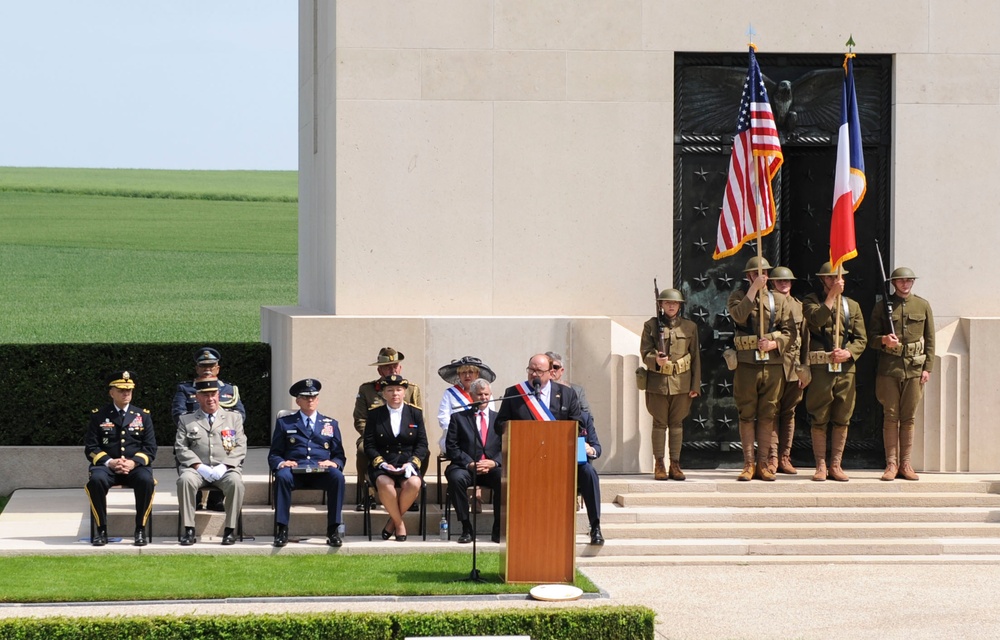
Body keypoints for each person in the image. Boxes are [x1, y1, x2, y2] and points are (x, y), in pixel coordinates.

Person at [496, 353, 605, 545]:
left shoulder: (566, 394)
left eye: (539, 370)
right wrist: (522, 432)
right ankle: (515, 530)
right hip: (527, 459)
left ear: (550, 373)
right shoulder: (514, 393)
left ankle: (595, 527)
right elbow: (500, 425)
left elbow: (577, 423)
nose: (534, 374)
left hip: (560, 458)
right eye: (531, 369)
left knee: (588, 472)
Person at [727, 257, 793, 481]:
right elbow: (738, 316)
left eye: (764, 273)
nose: (761, 276)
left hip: (772, 365)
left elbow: (789, 331)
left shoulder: (779, 300)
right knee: (747, 414)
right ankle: (748, 464)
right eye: (756, 274)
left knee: (768, 414)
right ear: (749, 276)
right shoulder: (738, 297)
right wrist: (753, 291)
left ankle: (763, 463)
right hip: (747, 364)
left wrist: (775, 343)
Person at [803, 261, 868, 482]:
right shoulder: (812, 301)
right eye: (829, 278)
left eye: (836, 277)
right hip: (821, 367)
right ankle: (820, 465)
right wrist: (831, 296)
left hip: (845, 369)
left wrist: (848, 353)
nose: (834, 281)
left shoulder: (853, 306)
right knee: (819, 416)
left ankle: (836, 465)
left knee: (842, 416)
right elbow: (816, 319)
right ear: (823, 280)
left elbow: (861, 339)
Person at [869, 267, 934, 481]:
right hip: (889, 368)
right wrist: (884, 341)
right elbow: (871, 338)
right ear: (894, 283)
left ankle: (906, 464)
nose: (905, 284)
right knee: (891, 416)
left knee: (908, 417)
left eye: (909, 280)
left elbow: (930, 339)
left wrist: (928, 368)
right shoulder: (882, 306)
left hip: (914, 368)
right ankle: (891, 464)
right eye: (901, 281)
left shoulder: (922, 305)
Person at [268, 378, 347, 547]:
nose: (310, 400)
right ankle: (282, 530)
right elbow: (274, 454)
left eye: (313, 397)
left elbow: (339, 454)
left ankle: (333, 530)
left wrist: (335, 463)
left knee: (337, 477)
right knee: (282, 477)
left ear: (317, 399)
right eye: (305, 397)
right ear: (298, 401)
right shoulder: (285, 423)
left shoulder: (330, 424)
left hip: (321, 471)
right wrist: (282, 463)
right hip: (295, 470)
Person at [84, 370, 156, 547]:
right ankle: (101, 530)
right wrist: (110, 462)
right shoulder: (99, 416)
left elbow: (150, 448)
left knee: (146, 480)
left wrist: (133, 462)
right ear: (111, 392)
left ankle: (140, 529)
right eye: (121, 390)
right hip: (107, 466)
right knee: (96, 480)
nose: (126, 393)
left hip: (135, 466)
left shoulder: (143, 416)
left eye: (129, 390)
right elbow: (91, 448)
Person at [174, 376, 247, 546]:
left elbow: (241, 445)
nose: (210, 399)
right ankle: (189, 529)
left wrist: (225, 465)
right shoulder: (186, 420)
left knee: (236, 483)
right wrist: (199, 466)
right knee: (184, 481)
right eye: (205, 395)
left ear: (218, 395)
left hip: (225, 469)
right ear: (197, 397)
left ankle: (229, 530)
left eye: (213, 394)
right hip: (197, 470)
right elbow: (181, 447)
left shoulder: (233, 418)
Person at [171, 347, 245, 512]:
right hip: (194, 438)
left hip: (223, 439)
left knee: (227, 452)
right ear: (197, 368)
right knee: (188, 455)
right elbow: (178, 414)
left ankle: (216, 499)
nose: (207, 370)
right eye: (203, 366)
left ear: (217, 368)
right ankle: (194, 497)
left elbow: (240, 414)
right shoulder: (186, 389)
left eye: (211, 366)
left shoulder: (229, 390)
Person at [639, 289, 701, 480]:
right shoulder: (650, 325)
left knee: (676, 424)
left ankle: (675, 463)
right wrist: (655, 360)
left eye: (674, 303)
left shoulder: (690, 327)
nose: (671, 306)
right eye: (667, 303)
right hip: (658, 382)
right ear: (661, 305)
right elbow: (645, 351)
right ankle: (659, 463)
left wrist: (695, 385)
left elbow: (696, 357)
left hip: (681, 382)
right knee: (659, 424)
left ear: (680, 305)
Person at [352, 347, 423, 511]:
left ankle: (412, 493)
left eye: (395, 366)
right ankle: (367, 493)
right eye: (387, 367)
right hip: (373, 438)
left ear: (400, 368)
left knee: (423, 452)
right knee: (363, 449)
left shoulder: (411, 389)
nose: (392, 369)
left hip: (405, 438)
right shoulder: (367, 390)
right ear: (379, 370)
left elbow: (417, 420)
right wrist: (374, 436)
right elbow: (360, 419)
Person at [364, 374, 429, 542]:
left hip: (407, 463)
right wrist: (382, 463)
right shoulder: (375, 414)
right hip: (383, 464)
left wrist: (411, 463)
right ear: (383, 394)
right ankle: (399, 524)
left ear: (405, 392)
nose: (395, 394)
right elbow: (369, 445)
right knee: (385, 483)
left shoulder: (415, 413)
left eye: (399, 390)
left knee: (415, 483)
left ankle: (391, 523)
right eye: (390, 390)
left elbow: (422, 444)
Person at [445, 378, 503, 544]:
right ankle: (466, 527)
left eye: (486, 394)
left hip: (491, 468)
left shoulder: (499, 419)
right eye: (479, 394)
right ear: (471, 396)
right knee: (455, 479)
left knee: (504, 479)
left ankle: (498, 529)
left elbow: (506, 447)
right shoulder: (458, 418)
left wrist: (495, 462)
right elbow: (452, 447)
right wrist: (470, 463)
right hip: (466, 467)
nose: (483, 398)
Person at [768, 267, 809, 475]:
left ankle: (785, 456)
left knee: (789, 412)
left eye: (787, 281)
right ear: (772, 283)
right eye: (779, 281)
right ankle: (772, 456)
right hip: (774, 363)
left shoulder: (798, 306)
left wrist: (805, 368)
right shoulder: (768, 302)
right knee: (771, 410)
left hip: (793, 365)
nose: (784, 284)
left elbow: (805, 339)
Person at [437, 356, 496, 450]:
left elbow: (490, 416)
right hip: (456, 438)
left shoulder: (485, 394)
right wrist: (457, 432)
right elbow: (443, 417)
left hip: (482, 436)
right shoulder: (450, 393)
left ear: (477, 374)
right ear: (458, 375)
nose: (467, 375)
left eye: (471, 372)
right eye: (463, 372)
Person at [546, 351, 593, 416]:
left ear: (561, 371)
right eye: (548, 367)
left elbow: (587, 416)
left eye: (555, 367)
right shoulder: (537, 390)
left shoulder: (576, 390)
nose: (552, 370)